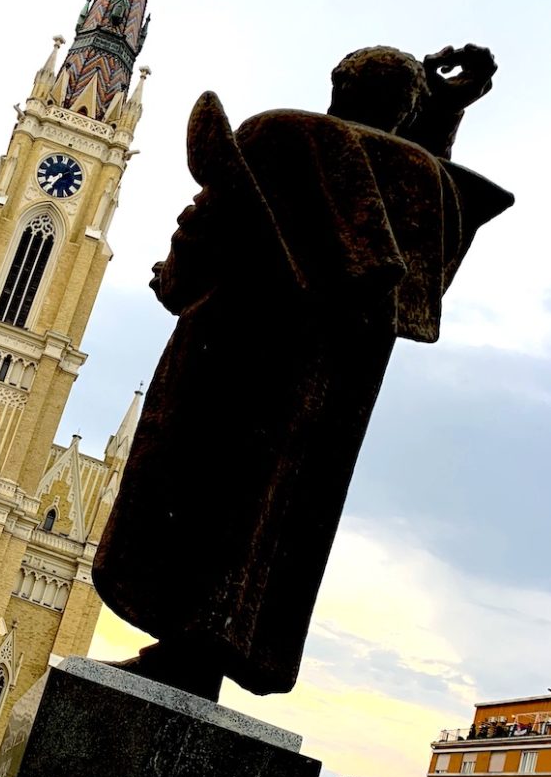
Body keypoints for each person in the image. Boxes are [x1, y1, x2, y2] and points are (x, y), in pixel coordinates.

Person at [92, 44, 512, 700]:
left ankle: (184, 645)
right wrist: (445, 114)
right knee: (267, 524)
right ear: (409, 110)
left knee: (201, 496)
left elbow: (206, 225)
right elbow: (416, 213)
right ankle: (207, 653)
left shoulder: (283, 134)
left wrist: (176, 280)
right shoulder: (422, 183)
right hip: (325, 404)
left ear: (339, 83)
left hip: (233, 362)